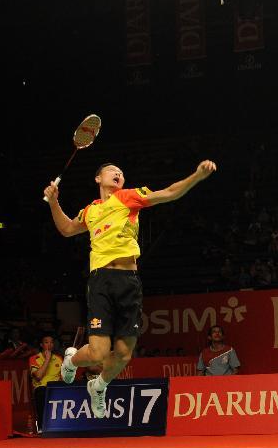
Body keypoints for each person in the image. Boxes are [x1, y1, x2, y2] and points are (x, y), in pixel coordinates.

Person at [43, 160, 217, 417]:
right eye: (112, 170)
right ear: (98, 178)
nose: (118, 173)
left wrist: (196, 177)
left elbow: (168, 193)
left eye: (121, 172)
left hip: (129, 282)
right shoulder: (90, 211)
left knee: (124, 354)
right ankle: (71, 360)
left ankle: (99, 385)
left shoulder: (128, 197)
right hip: (101, 279)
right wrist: (54, 201)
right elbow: (67, 229)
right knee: (99, 352)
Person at [29, 334, 62, 432]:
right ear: (41, 345)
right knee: (42, 392)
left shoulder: (59, 358)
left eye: (51, 342)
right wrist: (47, 359)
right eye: (46, 342)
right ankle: (42, 426)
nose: (49, 344)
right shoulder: (34, 359)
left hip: (56, 387)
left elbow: (63, 378)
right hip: (42, 387)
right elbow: (38, 376)